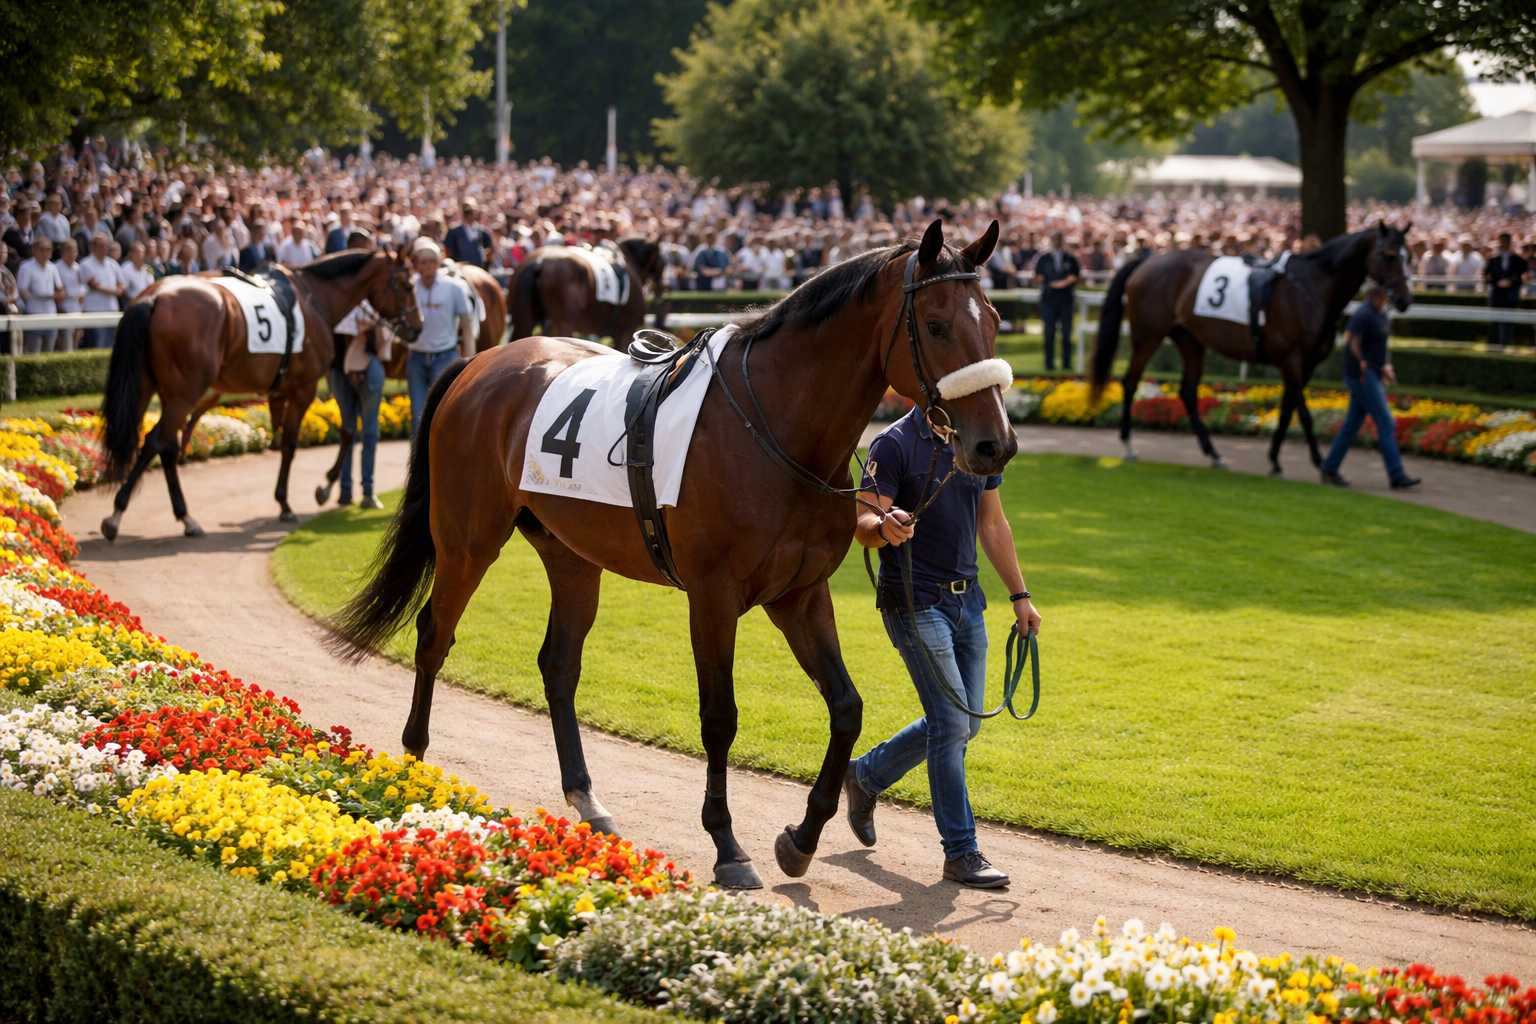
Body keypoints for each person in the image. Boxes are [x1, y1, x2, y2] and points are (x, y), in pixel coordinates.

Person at [844, 406, 1042, 889]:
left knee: (965, 723)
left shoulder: (977, 438)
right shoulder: (892, 444)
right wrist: (884, 527)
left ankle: (865, 776)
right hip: (914, 603)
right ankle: (961, 851)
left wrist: (1020, 596)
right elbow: (862, 522)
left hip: (968, 604)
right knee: (953, 725)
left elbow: (992, 524)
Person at [1319, 285, 1420, 491]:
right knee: (1385, 423)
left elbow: (1380, 345)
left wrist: (1385, 366)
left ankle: (1329, 467)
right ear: (1376, 295)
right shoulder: (1363, 314)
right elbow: (1351, 341)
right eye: (1385, 296)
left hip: (1372, 373)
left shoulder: (1380, 314)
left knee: (1351, 426)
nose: (1387, 300)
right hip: (1363, 377)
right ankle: (1397, 475)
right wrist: (1363, 362)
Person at [330, 231, 387, 508]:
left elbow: (385, 331)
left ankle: (363, 490)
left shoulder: (371, 290)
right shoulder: (338, 290)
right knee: (352, 430)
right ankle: (350, 490)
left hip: (363, 363)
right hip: (343, 367)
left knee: (366, 431)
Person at [407, 238, 474, 436]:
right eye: (423, 261)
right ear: (417, 265)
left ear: (438, 262)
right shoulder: (410, 287)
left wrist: (469, 360)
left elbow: (467, 324)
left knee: (443, 412)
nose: (427, 266)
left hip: (445, 356)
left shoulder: (454, 288)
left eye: (431, 261)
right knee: (417, 414)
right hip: (417, 357)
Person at [1034, 231, 1080, 372]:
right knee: (1049, 333)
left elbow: (1075, 276)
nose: (1057, 242)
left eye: (1059, 239)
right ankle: (1049, 365)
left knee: (1066, 334)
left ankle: (1066, 364)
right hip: (1049, 300)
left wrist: (1062, 283)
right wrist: (1050, 283)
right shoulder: (1044, 258)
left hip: (1066, 300)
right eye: (1055, 239)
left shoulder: (1071, 258)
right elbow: (1037, 276)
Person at [17, 237, 65, 353]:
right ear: (34, 250)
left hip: (51, 316)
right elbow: (23, 292)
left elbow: (60, 290)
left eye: (48, 249)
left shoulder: (53, 267)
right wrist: (42, 296)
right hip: (34, 315)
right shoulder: (26, 267)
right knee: (33, 354)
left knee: (48, 354)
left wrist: (56, 295)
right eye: (42, 249)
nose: (45, 252)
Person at [79, 233, 124, 348]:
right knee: (96, 346)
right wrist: (115, 291)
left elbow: (122, 286)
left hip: (112, 311)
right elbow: (94, 286)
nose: (105, 248)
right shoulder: (85, 264)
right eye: (101, 245)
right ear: (93, 247)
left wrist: (108, 289)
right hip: (94, 311)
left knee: (111, 347)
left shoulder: (113, 264)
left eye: (106, 245)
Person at [1484, 233, 1528, 347]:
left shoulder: (1518, 259)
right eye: (1502, 241)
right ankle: (1493, 346)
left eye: (1506, 241)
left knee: (1509, 322)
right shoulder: (1493, 259)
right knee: (1494, 321)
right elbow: (1486, 276)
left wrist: (1511, 282)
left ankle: (1507, 345)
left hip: (1511, 295)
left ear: (1509, 242)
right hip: (1496, 295)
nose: (1503, 243)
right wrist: (1497, 282)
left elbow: (1524, 276)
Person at [56, 238, 86, 352]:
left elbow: (83, 287)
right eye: (70, 251)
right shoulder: (56, 267)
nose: (73, 254)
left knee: (76, 344)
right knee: (65, 346)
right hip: (63, 310)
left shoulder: (78, 267)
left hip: (78, 310)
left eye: (75, 251)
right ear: (63, 252)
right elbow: (59, 291)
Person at [444, 199, 490, 267]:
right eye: (467, 212)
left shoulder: (481, 231)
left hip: (478, 267)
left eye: (471, 211)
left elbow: (489, 248)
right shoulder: (454, 231)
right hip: (461, 268)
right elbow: (448, 250)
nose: (469, 214)